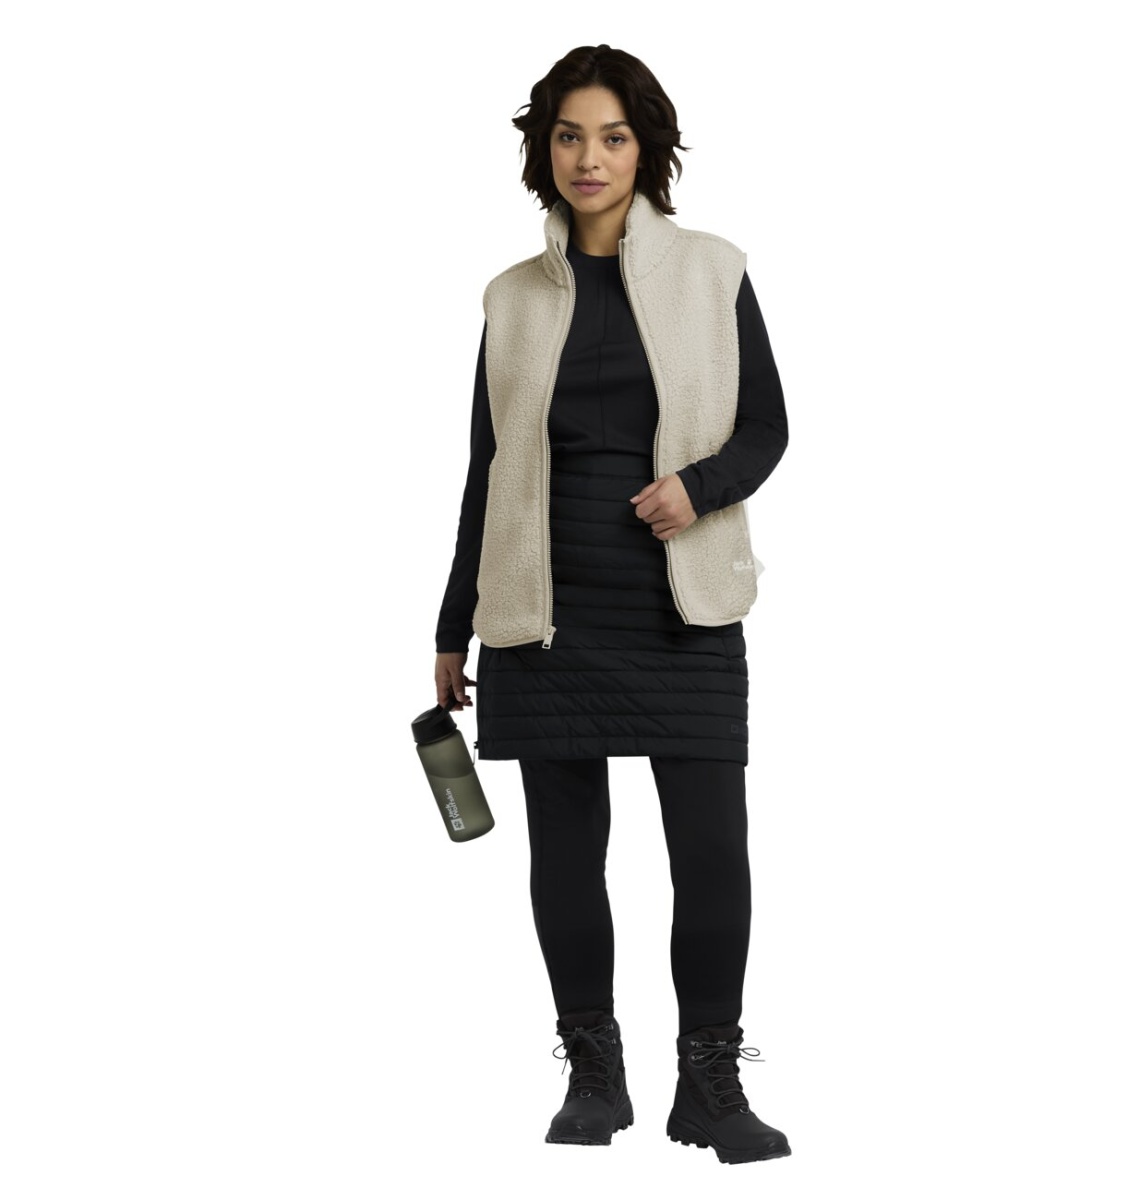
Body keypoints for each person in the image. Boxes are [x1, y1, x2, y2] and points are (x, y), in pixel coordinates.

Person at [432, 44, 791, 1165]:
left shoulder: (714, 270)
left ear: (647, 149)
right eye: (570, 136)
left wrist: (701, 487)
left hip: (683, 605)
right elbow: (488, 468)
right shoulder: (510, 298)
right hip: (545, 610)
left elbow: (768, 427)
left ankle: (710, 1086)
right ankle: (596, 1076)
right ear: (545, 149)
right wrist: (451, 627)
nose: (590, 158)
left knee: (713, 853)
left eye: (614, 137)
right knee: (566, 856)